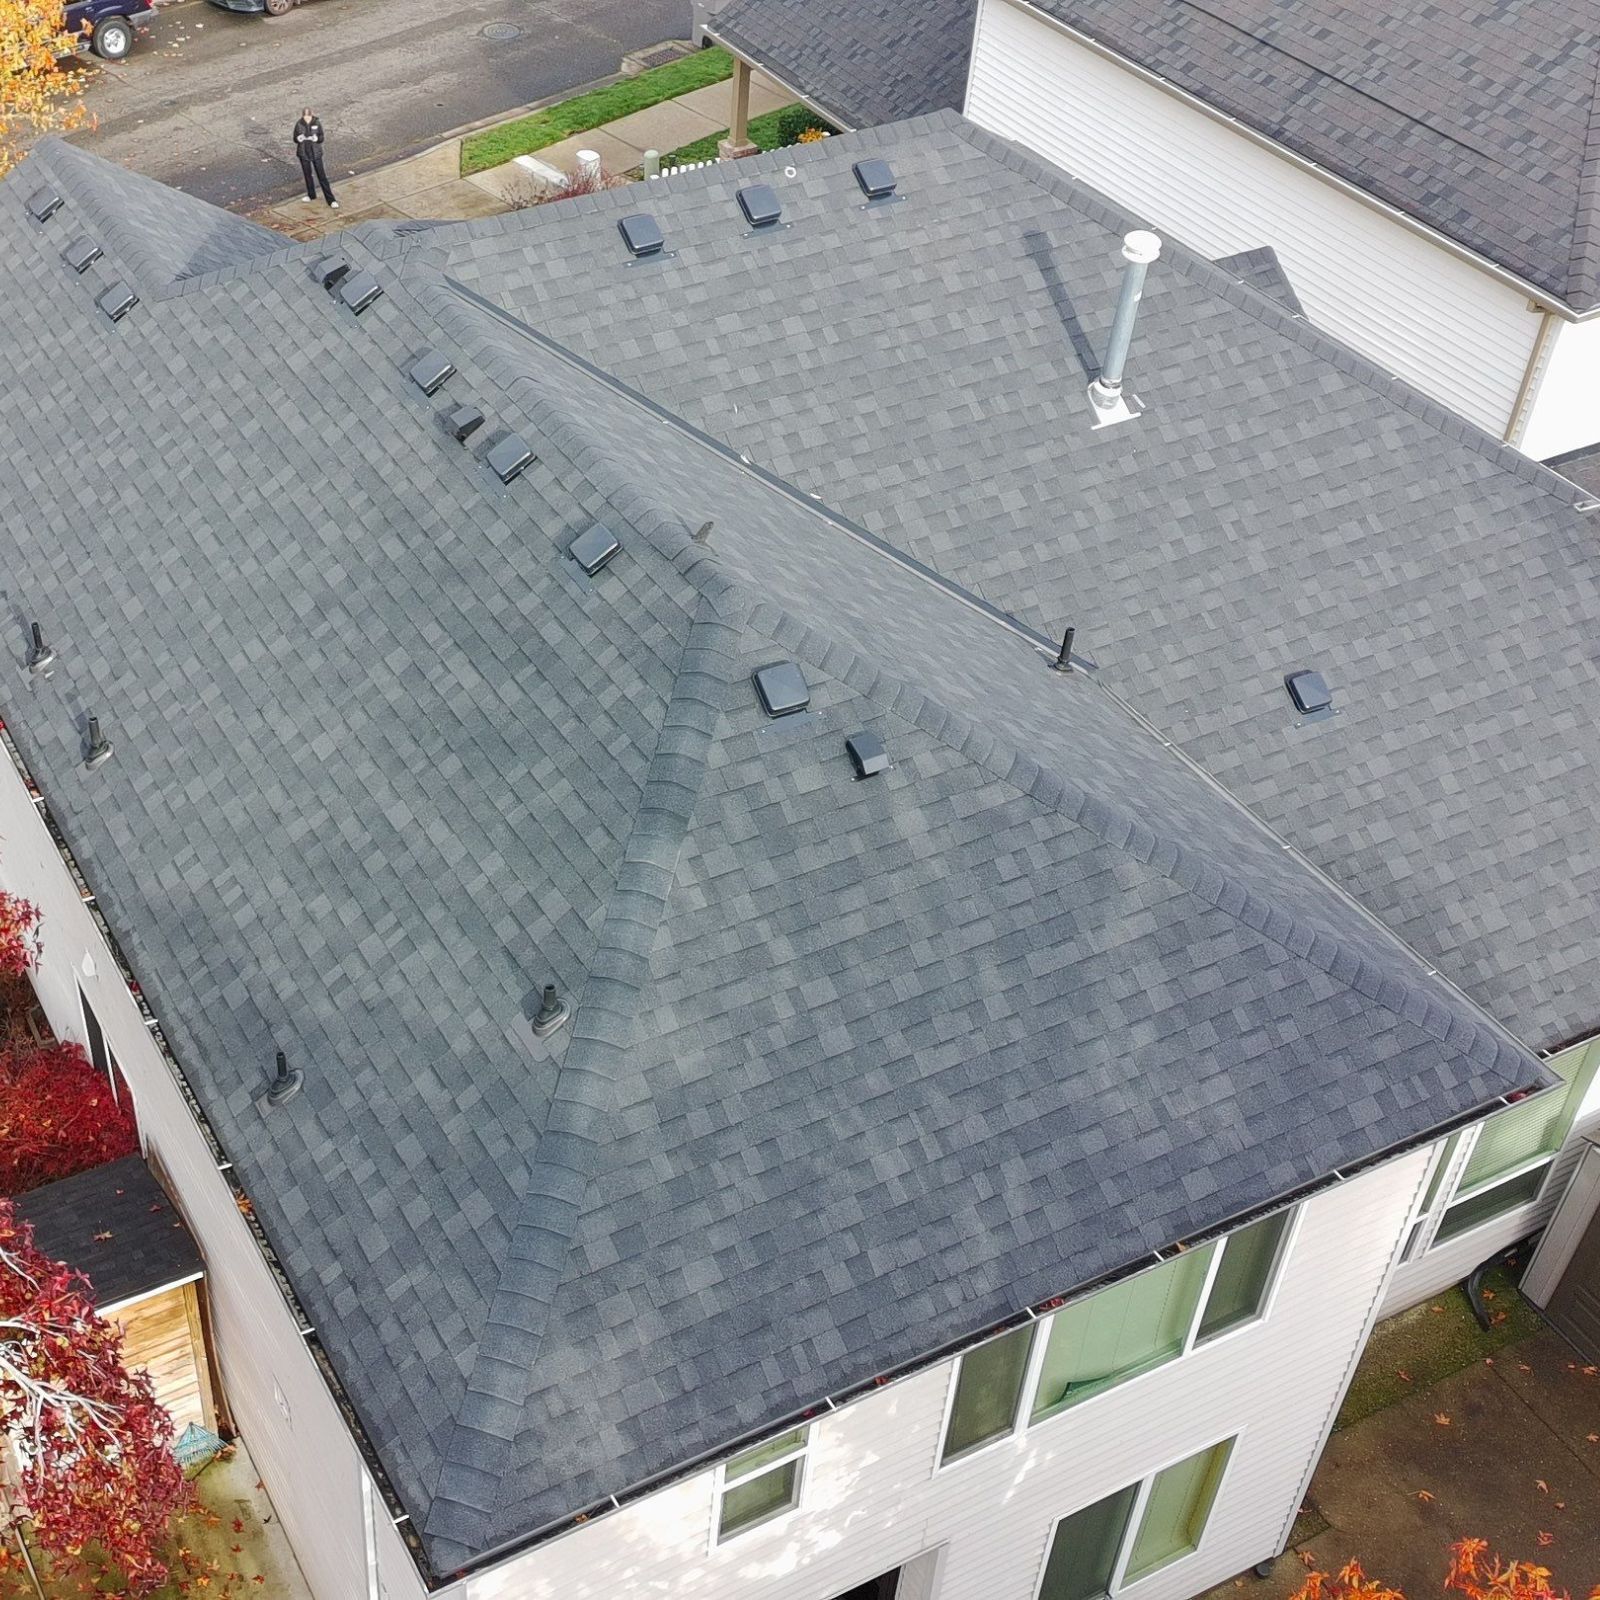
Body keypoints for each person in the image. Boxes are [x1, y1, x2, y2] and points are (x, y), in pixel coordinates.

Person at [293, 108, 338, 209]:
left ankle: (331, 200)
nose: (307, 118)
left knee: (322, 176)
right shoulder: (299, 124)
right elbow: (295, 138)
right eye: (305, 117)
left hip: (316, 153)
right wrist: (299, 138)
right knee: (308, 175)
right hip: (304, 153)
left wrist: (316, 139)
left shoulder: (317, 123)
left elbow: (321, 137)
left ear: (311, 116)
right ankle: (311, 194)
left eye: (308, 116)